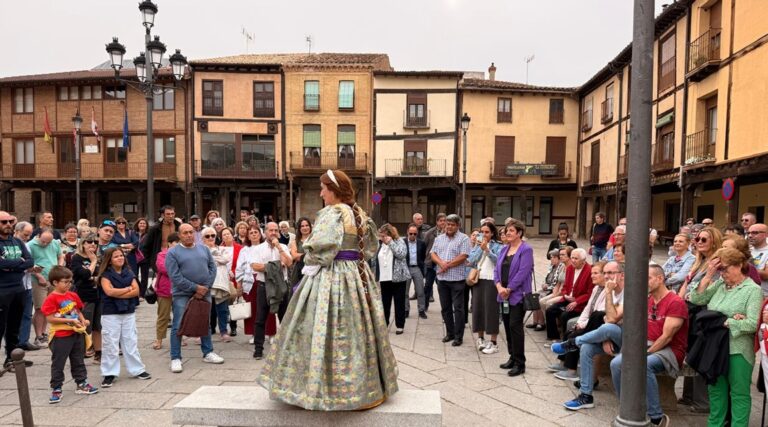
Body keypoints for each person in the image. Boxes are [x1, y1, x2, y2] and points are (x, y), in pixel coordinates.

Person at [258, 169, 398, 410]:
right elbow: (371, 247)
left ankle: (321, 389)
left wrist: (308, 262)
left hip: (332, 275)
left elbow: (321, 250)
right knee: (357, 328)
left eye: (323, 188)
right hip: (356, 274)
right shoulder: (360, 215)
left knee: (320, 325)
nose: (321, 193)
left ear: (333, 190)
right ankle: (366, 388)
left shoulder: (332, 213)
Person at [689, 247, 762, 427]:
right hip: (715, 347)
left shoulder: (752, 290)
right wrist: (708, 275)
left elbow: (752, 323)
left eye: (725, 269)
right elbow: (696, 299)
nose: (722, 273)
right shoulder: (721, 284)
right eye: (719, 269)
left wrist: (728, 322)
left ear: (739, 266)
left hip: (737, 349)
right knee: (715, 390)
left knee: (739, 394)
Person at [165, 224, 225, 373]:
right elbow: (175, 276)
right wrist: (195, 288)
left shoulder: (203, 249)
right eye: (185, 233)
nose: (189, 235)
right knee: (178, 325)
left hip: (204, 291)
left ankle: (208, 352)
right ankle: (175, 357)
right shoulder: (172, 252)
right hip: (182, 293)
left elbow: (212, 268)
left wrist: (205, 286)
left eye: (191, 232)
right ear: (179, 235)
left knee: (205, 322)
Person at [551, 261, 624, 381]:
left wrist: (605, 338)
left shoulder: (612, 290)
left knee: (583, 328)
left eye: (597, 273)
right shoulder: (598, 288)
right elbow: (588, 308)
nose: (593, 276)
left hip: (610, 328)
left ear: (621, 275)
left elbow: (609, 317)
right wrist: (580, 323)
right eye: (604, 273)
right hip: (599, 324)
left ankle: (572, 368)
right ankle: (583, 388)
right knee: (573, 330)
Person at [677, 226, 723, 413]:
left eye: (704, 239)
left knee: (699, 355)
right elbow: (686, 285)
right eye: (697, 240)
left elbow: (705, 292)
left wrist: (689, 296)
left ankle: (702, 402)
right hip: (690, 311)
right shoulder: (699, 262)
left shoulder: (716, 264)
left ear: (714, 242)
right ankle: (688, 396)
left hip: (704, 313)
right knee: (691, 353)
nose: (699, 243)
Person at [42, 266, 99, 403]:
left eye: (70, 282)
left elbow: (77, 309)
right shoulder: (51, 298)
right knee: (58, 362)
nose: (69, 284)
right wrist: (69, 320)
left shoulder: (72, 295)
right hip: (61, 334)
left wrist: (82, 319)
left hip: (76, 333)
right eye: (65, 282)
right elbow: (50, 318)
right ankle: (56, 387)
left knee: (78, 359)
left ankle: (81, 383)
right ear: (55, 282)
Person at [98, 247, 151, 387]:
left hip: (128, 311)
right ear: (109, 260)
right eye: (116, 257)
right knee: (111, 343)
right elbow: (109, 292)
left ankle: (137, 369)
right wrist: (127, 289)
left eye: (121, 255)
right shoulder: (105, 275)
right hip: (111, 312)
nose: (120, 258)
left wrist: (121, 292)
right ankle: (109, 372)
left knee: (130, 341)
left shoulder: (129, 272)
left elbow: (136, 291)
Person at [495, 219, 534, 376]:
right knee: (506, 325)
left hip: (517, 295)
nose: (507, 233)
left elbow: (523, 272)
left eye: (511, 231)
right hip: (502, 294)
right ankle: (512, 357)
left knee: (515, 326)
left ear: (519, 233)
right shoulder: (504, 249)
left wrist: (509, 289)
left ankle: (520, 362)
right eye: (507, 231)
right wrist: (499, 286)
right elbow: (496, 271)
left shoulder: (526, 250)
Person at [251, 222, 293, 359]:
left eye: (276, 230)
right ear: (265, 232)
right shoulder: (257, 249)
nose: (273, 232)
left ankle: (286, 348)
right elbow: (255, 266)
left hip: (282, 286)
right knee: (260, 319)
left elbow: (289, 262)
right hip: (264, 286)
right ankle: (258, 349)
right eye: (271, 230)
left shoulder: (284, 247)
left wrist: (279, 247)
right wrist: (275, 266)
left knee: (284, 318)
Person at [0, 212, 34, 368]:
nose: (8, 224)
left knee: (14, 327)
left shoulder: (18, 242)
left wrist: (10, 264)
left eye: (10, 221)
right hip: (2, 290)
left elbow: (29, 261)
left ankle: (12, 358)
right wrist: (18, 263)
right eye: (4, 222)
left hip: (18, 289)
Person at [431, 214, 471, 347]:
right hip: (442, 279)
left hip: (457, 279)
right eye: (447, 224)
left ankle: (459, 336)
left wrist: (446, 265)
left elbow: (463, 255)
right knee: (445, 308)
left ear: (458, 226)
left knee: (458, 308)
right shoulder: (439, 238)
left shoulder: (464, 238)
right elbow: (433, 253)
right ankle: (450, 333)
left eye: (452, 225)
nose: (449, 227)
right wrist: (441, 263)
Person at [235, 225, 277, 342]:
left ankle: (271, 333)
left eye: (256, 232)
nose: (253, 234)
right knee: (253, 308)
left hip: (265, 279)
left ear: (260, 234)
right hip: (249, 281)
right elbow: (239, 267)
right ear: (248, 236)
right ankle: (254, 334)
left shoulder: (267, 247)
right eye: (251, 233)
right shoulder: (244, 250)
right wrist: (239, 283)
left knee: (268, 307)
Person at [467, 221, 503, 353]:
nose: (484, 234)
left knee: (492, 310)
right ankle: (480, 337)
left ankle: (493, 341)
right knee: (478, 309)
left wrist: (487, 250)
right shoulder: (477, 245)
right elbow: (471, 261)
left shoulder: (498, 246)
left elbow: (498, 261)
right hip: (478, 279)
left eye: (487, 232)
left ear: (492, 233)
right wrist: (479, 248)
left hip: (492, 280)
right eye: (482, 232)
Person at [545, 248, 593, 344]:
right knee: (550, 310)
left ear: (583, 261)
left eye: (576, 258)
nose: (573, 261)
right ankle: (553, 337)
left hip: (580, 302)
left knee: (565, 315)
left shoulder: (589, 271)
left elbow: (590, 293)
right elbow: (566, 286)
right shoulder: (570, 268)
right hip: (567, 298)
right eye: (572, 258)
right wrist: (565, 295)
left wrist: (576, 301)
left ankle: (565, 340)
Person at [69, 233, 103, 363]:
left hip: (97, 295)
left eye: (95, 242)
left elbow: (102, 276)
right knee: (84, 326)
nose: (93, 244)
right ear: (82, 243)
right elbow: (83, 275)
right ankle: (80, 352)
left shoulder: (99, 257)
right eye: (89, 242)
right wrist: (93, 262)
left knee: (97, 326)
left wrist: (93, 277)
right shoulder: (77, 258)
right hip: (84, 296)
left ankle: (98, 352)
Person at [28, 230, 64, 349]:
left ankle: (43, 333)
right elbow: (29, 264)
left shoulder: (53, 243)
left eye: (48, 242)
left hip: (53, 277)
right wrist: (39, 276)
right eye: (44, 242)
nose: (46, 244)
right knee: (40, 308)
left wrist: (59, 266)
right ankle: (38, 336)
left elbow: (60, 256)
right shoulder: (30, 245)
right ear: (38, 236)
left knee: (48, 309)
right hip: (38, 279)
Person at [374, 223, 410, 335]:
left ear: (390, 235)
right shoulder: (380, 244)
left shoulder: (400, 241)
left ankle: (400, 325)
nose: (382, 238)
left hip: (398, 278)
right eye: (381, 236)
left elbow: (401, 254)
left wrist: (391, 243)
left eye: (384, 236)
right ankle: (384, 324)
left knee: (399, 302)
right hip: (384, 278)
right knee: (385, 303)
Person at [201, 227, 233, 342]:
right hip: (205, 283)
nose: (210, 238)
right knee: (205, 309)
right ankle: (203, 333)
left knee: (222, 309)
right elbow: (202, 261)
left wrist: (212, 258)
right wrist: (215, 259)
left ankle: (223, 331)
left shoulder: (223, 249)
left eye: (213, 235)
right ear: (202, 238)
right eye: (207, 236)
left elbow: (226, 259)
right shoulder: (200, 250)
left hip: (221, 282)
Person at [13, 221, 39, 352]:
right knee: (13, 315)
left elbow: (29, 261)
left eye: (29, 235)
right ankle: (14, 342)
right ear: (17, 231)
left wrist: (31, 267)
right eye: (25, 235)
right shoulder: (12, 245)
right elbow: (12, 265)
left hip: (27, 284)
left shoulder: (26, 245)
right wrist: (25, 265)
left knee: (27, 314)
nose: (27, 238)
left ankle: (24, 341)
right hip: (15, 285)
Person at [153, 233, 177, 350]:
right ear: (169, 243)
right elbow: (163, 268)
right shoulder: (162, 255)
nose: (177, 245)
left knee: (180, 315)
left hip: (180, 290)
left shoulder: (183, 254)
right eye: (174, 243)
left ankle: (178, 338)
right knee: (163, 316)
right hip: (164, 289)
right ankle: (159, 339)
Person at [141, 205, 182, 274]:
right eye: (168, 214)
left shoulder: (180, 226)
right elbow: (146, 246)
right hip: (161, 258)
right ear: (162, 215)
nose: (171, 216)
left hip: (178, 257)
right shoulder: (155, 228)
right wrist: (151, 262)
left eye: (172, 214)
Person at [219, 227, 242, 336]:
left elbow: (241, 264)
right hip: (222, 278)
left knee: (233, 303)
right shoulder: (218, 249)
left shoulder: (239, 248)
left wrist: (233, 272)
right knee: (222, 303)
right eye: (224, 234)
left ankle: (233, 327)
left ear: (232, 235)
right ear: (221, 237)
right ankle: (221, 326)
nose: (227, 236)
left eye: (228, 234)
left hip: (235, 278)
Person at [423, 213, 447, 310]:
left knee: (443, 287)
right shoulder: (430, 233)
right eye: (441, 221)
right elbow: (424, 246)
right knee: (428, 285)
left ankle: (446, 307)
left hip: (443, 263)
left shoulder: (448, 232)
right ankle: (425, 306)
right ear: (437, 222)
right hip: (431, 263)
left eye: (444, 220)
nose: (443, 222)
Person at [403, 223, 427, 319]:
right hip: (406, 268)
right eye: (411, 233)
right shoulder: (403, 242)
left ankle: (421, 310)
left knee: (420, 291)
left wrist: (422, 269)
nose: (412, 235)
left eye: (415, 234)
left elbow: (423, 256)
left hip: (417, 268)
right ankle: (406, 310)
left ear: (417, 233)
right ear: (407, 233)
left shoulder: (421, 243)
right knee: (405, 292)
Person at [289, 217, 313, 291]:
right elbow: (294, 256)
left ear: (310, 227)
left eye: (307, 225)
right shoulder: (295, 242)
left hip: (313, 270)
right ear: (299, 228)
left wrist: (301, 255)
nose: (305, 228)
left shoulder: (315, 240)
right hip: (299, 271)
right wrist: (310, 255)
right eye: (302, 226)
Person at [747, 223, 768, 296]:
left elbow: (766, 275)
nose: (750, 235)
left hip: (763, 295)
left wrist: (744, 266)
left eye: (755, 233)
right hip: (745, 293)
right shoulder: (747, 250)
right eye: (748, 233)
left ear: (766, 235)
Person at [133, 217, 150, 298]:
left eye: (144, 223)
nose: (142, 225)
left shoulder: (149, 234)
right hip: (134, 257)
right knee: (134, 276)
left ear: (146, 225)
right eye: (141, 223)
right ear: (137, 224)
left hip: (145, 258)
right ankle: (137, 291)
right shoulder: (133, 233)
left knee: (144, 277)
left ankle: (142, 294)